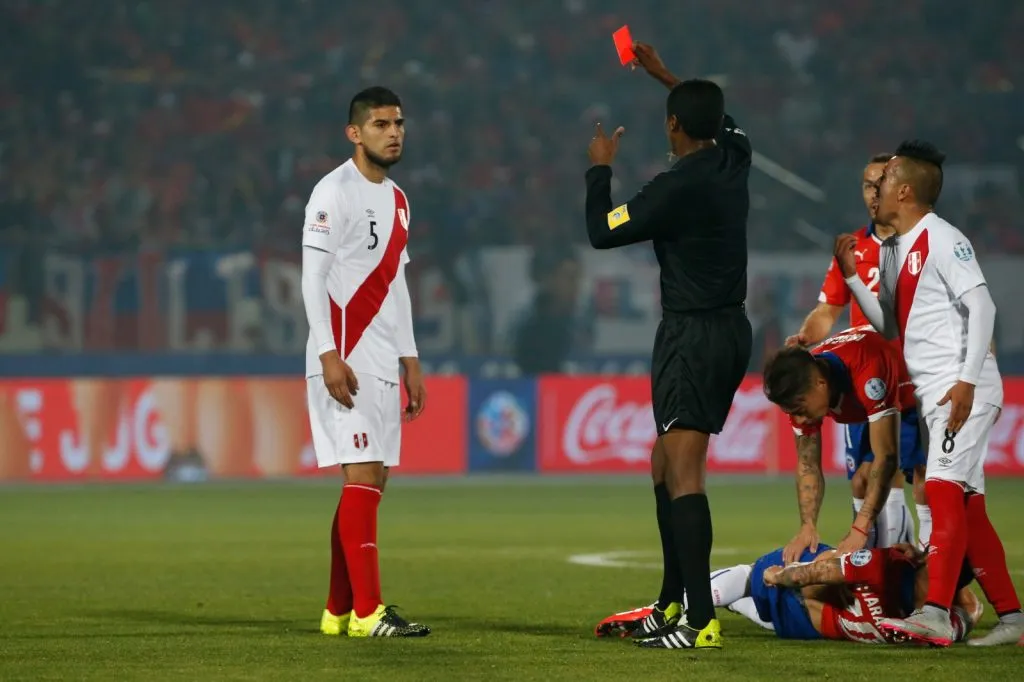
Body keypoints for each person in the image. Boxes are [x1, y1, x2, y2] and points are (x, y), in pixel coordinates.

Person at [584, 41, 752, 649]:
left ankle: (701, 621)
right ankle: (670, 602)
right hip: (728, 329)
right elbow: (716, 117)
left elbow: (602, 231)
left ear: (673, 126)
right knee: (665, 463)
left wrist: (600, 166)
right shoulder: (735, 158)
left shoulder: (674, 187)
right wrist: (665, 77)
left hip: (692, 333)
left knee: (682, 470)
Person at [836, 140, 1022, 646]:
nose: (876, 188)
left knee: (939, 495)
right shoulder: (896, 248)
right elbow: (890, 323)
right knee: (967, 506)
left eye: (887, 177)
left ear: (905, 190)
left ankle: (935, 612)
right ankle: (1013, 619)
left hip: (962, 388)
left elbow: (982, 307)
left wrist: (964, 381)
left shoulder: (943, 238)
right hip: (938, 391)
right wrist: (853, 278)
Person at [300, 86, 430, 638]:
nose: (393, 132)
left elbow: (396, 282)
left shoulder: (399, 200)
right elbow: (312, 278)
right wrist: (328, 354)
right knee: (360, 478)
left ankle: (337, 610)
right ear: (355, 133)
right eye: (380, 124)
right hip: (343, 358)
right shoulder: (333, 192)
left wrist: (411, 357)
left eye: (398, 122)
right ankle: (369, 611)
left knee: (371, 482)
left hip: (379, 358)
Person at [787, 154, 926, 551]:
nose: (873, 193)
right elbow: (828, 310)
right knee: (863, 478)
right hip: (859, 379)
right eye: (867, 185)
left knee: (917, 475)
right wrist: (805, 336)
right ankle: (876, 566)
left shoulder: (923, 242)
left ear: (900, 189)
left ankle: (927, 580)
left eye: (880, 183)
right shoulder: (852, 248)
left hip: (912, 378)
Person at [597, 544, 982, 645]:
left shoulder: (946, 620)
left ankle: (671, 608)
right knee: (761, 580)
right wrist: (783, 576)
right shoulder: (949, 616)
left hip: (808, 618)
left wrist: (779, 577)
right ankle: (669, 607)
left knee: (753, 583)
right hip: (811, 603)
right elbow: (828, 568)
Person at [761, 327, 919, 563]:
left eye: (801, 409)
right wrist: (807, 527)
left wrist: (860, 527)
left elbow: (886, 457)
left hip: (916, 394)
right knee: (861, 481)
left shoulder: (867, 372)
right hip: (866, 406)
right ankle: (875, 569)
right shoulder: (800, 393)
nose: (800, 419)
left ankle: (936, 579)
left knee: (927, 486)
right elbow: (808, 465)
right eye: (793, 412)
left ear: (821, 383)